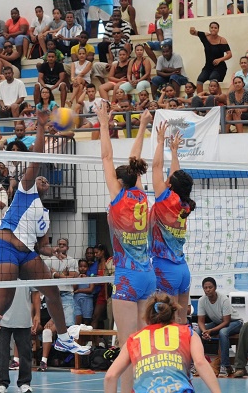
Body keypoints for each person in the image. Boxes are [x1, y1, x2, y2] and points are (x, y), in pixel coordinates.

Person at [0, 107, 90, 377]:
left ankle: (62, 337)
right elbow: (36, 161)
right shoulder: (25, 192)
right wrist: (40, 127)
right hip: (4, 247)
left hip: (27, 253)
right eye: (36, 177)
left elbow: (41, 246)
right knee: (3, 301)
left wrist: (55, 251)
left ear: (47, 187)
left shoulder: (45, 215)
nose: (40, 178)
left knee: (51, 289)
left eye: (43, 179)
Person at [98, 104, 155, 393]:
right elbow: (135, 160)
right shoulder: (141, 194)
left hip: (128, 277)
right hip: (149, 275)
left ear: (120, 181)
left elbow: (107, 156)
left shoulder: (119, 196)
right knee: (142, 342)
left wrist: (103, 121)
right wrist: (143, 123)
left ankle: (123, 390)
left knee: (127, 344)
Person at [104, 292, 222, 393]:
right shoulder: (188, 333)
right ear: (173, 314)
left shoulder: (134, 339)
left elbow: (110, 376)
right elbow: (200, 363)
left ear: (147, 317)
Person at [150, 122, 195, 325]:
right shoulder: (184, 203)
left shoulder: (164, 199)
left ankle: (170, 357)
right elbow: (174, 174)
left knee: (166, 323)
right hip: (183, 270)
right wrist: (174, 152)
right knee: (182, 323)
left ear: (171, 184)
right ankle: (187, 357)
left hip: (165, 267)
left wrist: (160, 142)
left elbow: (157, 166)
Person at [0, 286, 40, 393]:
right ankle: (1, 383)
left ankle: (25, 383)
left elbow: (36, 294)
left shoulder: (28, 272)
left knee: (25, 352)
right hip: (2, 319)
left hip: (24, 319)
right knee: (1, 351)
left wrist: (37, 314)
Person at [197, 277, 243, 377]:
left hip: (235, 322)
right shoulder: (202, 300)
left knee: (223, 332)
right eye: (205, 288)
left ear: (215, 288)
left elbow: (226, 322)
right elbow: (200, 321)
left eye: (210, 287)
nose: (208, 289)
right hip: (218, 322)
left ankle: (225, 366)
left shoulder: (224, 299)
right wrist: (205, 331)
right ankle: (196, 364)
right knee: (197, 332)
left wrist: (211, 331)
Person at [190, 23, 232, 93]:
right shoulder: (205, 36)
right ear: (209, 29)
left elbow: (229, 54)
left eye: (215, 28)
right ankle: (200, 99)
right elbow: (193, 33)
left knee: (212, 79)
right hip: (208, 67)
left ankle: (218, 98)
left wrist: (220, 59)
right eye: (212, 27)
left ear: (218, 30)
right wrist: (192, 30)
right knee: (199, 80)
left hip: (219, 67)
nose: (213, 29)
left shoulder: (222, 40)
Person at [73, 259, 95, 325]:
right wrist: (78, 279)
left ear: (87, 268)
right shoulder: (75, 278)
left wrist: (79, 290)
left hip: (87, 301)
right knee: (77, 322)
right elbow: (73, 288)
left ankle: (86, 335)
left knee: (86, 322)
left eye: (85, 266)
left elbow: (90, 290)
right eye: (81, 266)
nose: (83, 268)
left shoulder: (90, 278)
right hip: (76, 301)